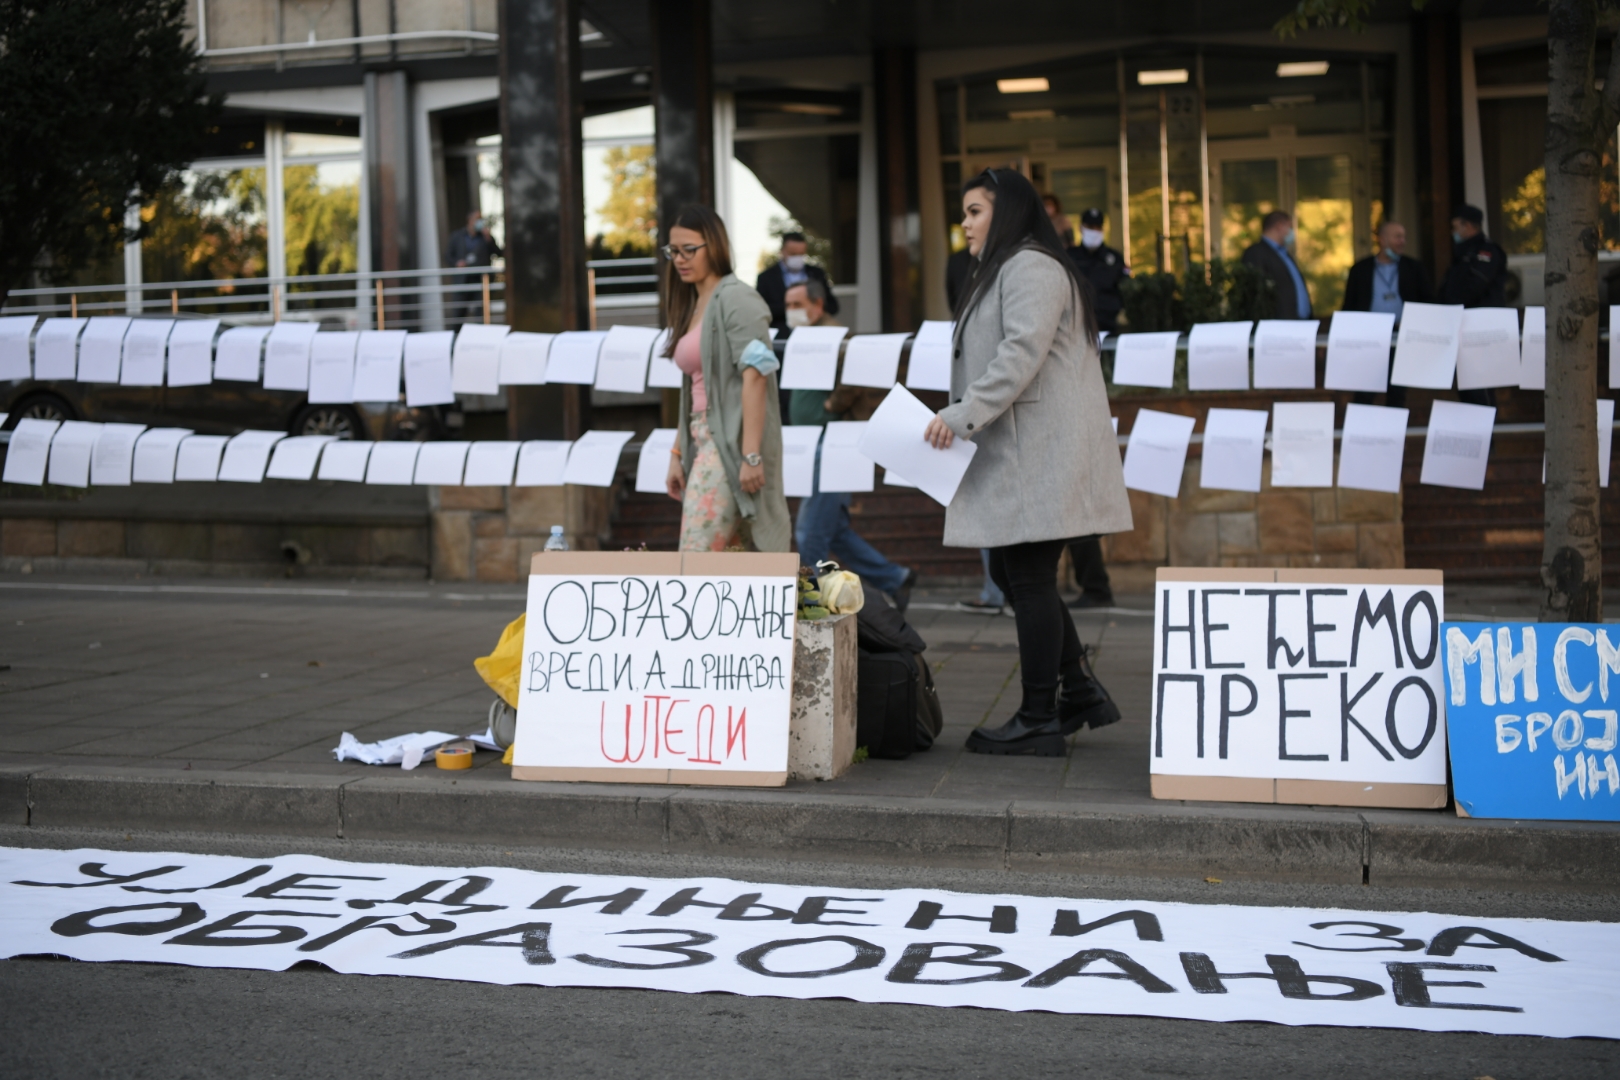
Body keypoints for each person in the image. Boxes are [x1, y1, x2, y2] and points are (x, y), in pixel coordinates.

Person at [923, 167, 1131, 755]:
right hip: (1026, 450)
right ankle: (1078, 690)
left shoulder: (1031, 266)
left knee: (1029, 576)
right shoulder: (1010, 267)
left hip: (1041, 451)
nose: (964, 224)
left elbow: (1020, 353)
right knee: (1011, 572)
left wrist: (961, 415)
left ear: (1007, 211)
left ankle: (1040, 714)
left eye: (974, 211)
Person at [661, 206, 792, 553]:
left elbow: (756, 377)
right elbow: (696, 391)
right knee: (730, 563)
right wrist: (677, 452)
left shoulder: (737, 297)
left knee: (695, 557)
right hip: (702, 439)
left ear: (715, 246)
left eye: (690, 250)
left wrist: (751, 456)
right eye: (674, 251)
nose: (680, 259)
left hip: (731, 444)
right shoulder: (694, 302)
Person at [786, 279, 918, 611]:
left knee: (810, 533)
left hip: (831, 443)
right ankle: (894, 578)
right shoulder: (804, 337)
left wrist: (833, 403)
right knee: (834, 530)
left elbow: (857, 375)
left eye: (797, 304)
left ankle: (812, 604)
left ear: (818, 305)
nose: (790, 312)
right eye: (787, 305)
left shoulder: (835, 336)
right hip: (813, 443)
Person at [1343, 221, 1434, 410]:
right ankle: (1360, 428)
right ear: (1382, 240)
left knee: (1397, 392)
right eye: (1397, 237)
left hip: (1402, 336)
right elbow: (1349, 305)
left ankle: (1395, 429)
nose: (1402, 241)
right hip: (1370, 337)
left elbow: (1428, 301)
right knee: (1364, 390)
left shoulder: (1414, 267)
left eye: (1404, 237)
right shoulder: (1361, 269)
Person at [755, 232, 841, 333]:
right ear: (782, 251)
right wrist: (794, 309)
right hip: (781, 334)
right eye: (793, 254)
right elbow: (761, 310)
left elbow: (832, 305)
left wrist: (813, 311)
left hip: (815, 331)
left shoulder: (816, 273)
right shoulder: (766, 277)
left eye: (801, 254)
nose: (797, 257)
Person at [1241, 210, 1313, 320]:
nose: (1291, 232)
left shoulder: (1284, 254)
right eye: (1289, 227)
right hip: (1279, 325)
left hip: (1300, 323)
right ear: (1279, 226)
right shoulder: (1256, 253)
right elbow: (1255, 295)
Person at [1067, 208, 1130, 333]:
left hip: (1108, 322)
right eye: (1090, 227)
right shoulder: (1069, 256)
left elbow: (1125, 286)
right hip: (1076, 323)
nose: (1094, 231)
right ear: (1081, 228)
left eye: (1097, 227)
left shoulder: (1114, 258)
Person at [1438, 204, 1508, 309]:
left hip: (1483, 314)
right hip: (1463, 312)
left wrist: (1452, 303)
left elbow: (1476, 284)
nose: (1452, 232)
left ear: (1467, 226)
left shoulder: (1487, 251)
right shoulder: (1463, 252)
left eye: (1455, 227)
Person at [445, 211, 504, 323]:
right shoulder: (457, 236)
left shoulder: (485, 237)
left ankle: (480, 333)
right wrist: (457, 263)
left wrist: (488, 238)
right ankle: (456, 333)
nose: (480, 222)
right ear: (470, 221)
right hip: (463, 280)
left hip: (481, 280)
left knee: (481, 313)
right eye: (477, 219)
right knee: (458, 313)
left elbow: (499, 253)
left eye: (481, 219)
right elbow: (448, 255)